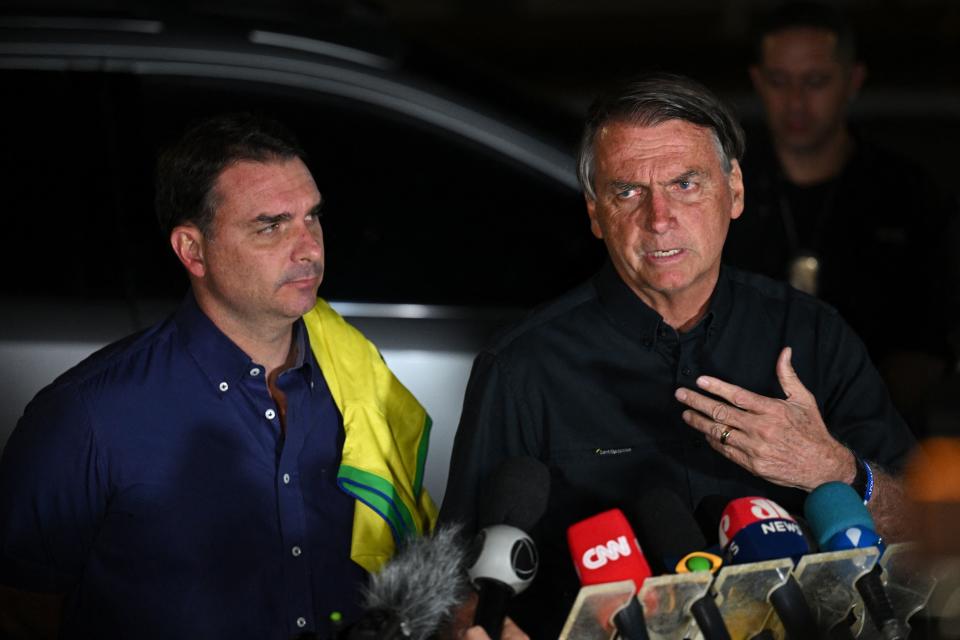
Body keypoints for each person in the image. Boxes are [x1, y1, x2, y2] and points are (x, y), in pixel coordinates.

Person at [440, 73, 917, 639]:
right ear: (595, 213)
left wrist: (834, 470)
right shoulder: (521, 368)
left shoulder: (814, 336)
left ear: (734, 190)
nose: (659, 217)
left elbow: (929, 527)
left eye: (686, 183)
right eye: (627, 192)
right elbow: (455, 586)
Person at [0, 113, 439, 639]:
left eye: (312, 218)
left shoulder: (356, 379)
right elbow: (22, 611)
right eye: (271, 225)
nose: (310, 248)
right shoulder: (87, 416)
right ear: (193, 250)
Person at [724, 1, 960, 429]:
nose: (796, 102)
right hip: (745, 423)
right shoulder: (724, 185)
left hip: (881, 430)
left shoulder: (904, 191)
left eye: (815, 82)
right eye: (779, 81)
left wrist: (864, 421)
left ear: (852, 81)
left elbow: (928, 338)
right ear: (758, 82)